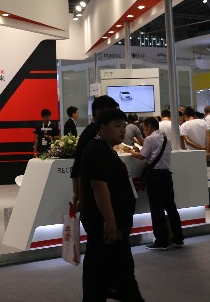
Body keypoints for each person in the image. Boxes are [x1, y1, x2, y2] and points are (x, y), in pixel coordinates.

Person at [79, 108, 143, 302]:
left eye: (124, 126)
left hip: (111, 220)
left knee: (100, 267)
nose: (122, 130)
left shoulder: (104, 149)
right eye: (117, 126)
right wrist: (110, 221)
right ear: (102, 127)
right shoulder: (98, 151)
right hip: (106, 222)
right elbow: (99, 187)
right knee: (118, 267)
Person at [130, 117, 184, 250]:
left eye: (144, 128)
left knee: (157, 209)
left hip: (155, 177)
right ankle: (178, 239)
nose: (144, 130)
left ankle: (161, 241)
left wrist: (130, 152)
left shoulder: (149, 139)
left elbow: (142, 156)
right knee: (171, 207)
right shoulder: (167, 139)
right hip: (166, 176)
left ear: (149, 126)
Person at [71, 95, 119, 210]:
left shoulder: (91, 131)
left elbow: (78, 167)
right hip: (96, 203)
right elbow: (98, 184)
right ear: (100, 112)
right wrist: (109, 219)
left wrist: (78, 194)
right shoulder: (96, 135)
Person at [180, 107, 210, 207]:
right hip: (206, 155)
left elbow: (187, 141)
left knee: (194, 179)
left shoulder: (184, 125)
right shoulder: (203, 122)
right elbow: (208, 137)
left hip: (192, 155)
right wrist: (206, 150)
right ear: (194, 114)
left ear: (185, 116)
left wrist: (201, 148)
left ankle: (197, 202)